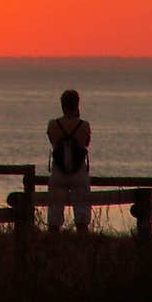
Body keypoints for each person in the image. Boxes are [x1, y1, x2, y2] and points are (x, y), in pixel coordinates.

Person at [46, 88, 91, 233]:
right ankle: (82, 241)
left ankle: (53, 243)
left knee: (54, 210)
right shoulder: (84, 125)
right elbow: (86, 142)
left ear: (62, 105)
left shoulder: (53, 124)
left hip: (58, 171)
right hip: (79, 171)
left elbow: (52, 141)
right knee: (82, 210)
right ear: (77, 104)